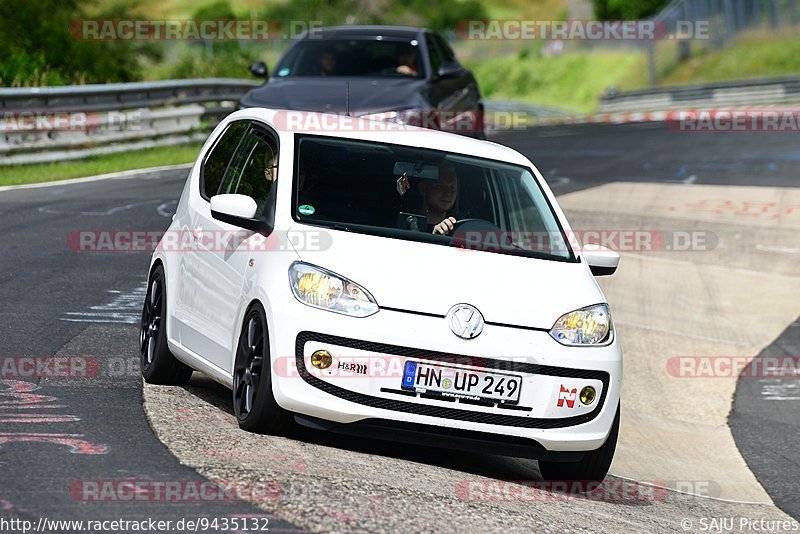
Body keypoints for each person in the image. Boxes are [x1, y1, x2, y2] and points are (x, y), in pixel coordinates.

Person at [417, 162, 459, 235]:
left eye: (452, 188)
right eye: (440, 187)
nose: (448, 193)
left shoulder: (460, 230)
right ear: (423, 189)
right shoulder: (407, 226)